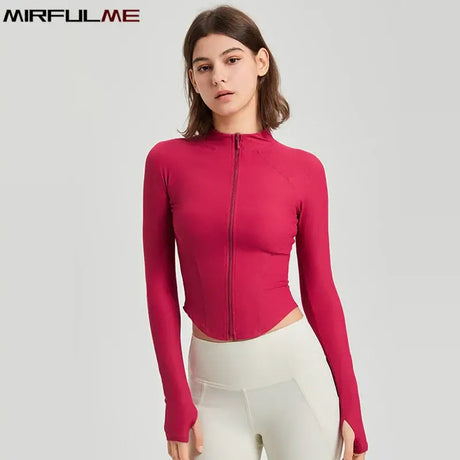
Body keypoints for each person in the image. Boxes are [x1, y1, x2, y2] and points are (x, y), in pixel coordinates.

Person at [142, 5, 369, 460]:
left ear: (261, 62)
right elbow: (159, 285)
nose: (219, 77)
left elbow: (320, 290)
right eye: (204, 67)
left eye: (232, 60)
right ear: (193, 79)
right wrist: (175, 399)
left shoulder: (304, 170)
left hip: (296, 379)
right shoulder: (166, 163)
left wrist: (352, 405)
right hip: (211, 387)